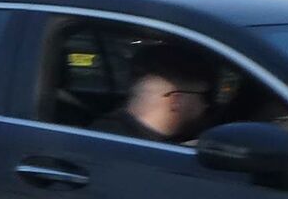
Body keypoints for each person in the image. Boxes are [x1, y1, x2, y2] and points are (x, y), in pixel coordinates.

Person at [90, 47, 221, 143]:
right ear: (176, 101)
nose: (206, 105)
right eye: (204, 96)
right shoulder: (123, 148)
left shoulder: (105, 134)